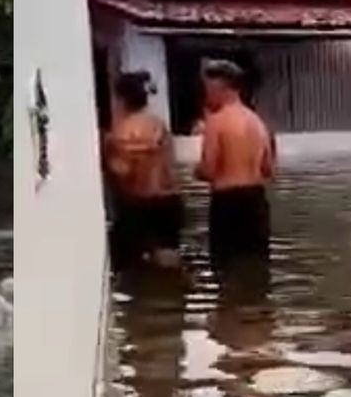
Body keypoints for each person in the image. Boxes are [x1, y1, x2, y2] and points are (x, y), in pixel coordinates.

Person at [196, 59, 274, 266]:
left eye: (207, 89)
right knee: (256, 266)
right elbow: (268, 169)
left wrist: (197, 171)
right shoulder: (258, 122)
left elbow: (209, 170)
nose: (206, 95)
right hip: (257, 201)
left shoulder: (217, 121)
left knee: (226, 269)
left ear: (219, 87)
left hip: (228, 202)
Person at [104, 71, 182, 269]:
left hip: (137, 203)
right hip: (168, 201)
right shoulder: (160, 126)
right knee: (168, 261)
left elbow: (123, 171)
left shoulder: (120, 133)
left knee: (131, 268)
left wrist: (105, 161)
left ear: (120, 98)